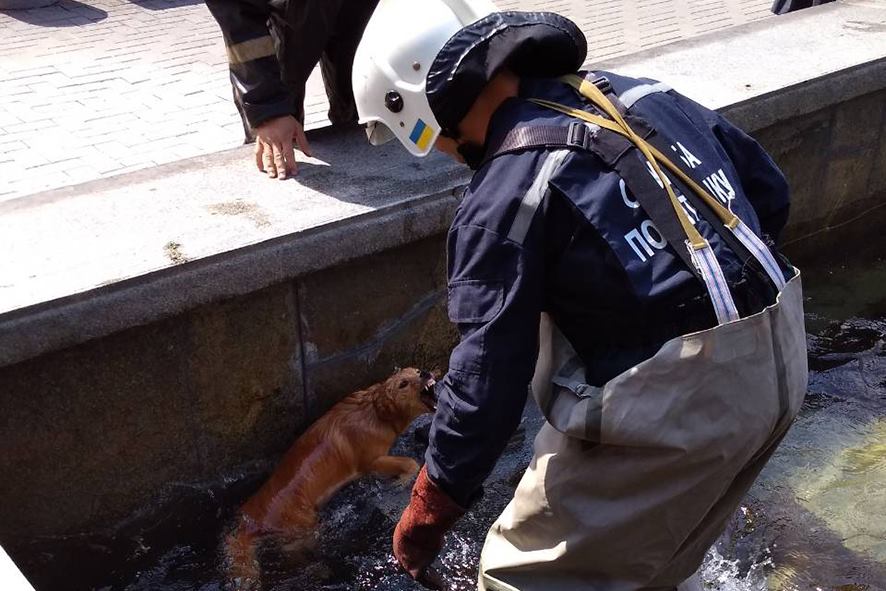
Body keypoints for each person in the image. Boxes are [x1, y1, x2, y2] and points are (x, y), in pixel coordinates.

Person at [352, 1, 809, 590]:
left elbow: (489, 375)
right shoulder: (642, 96)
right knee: (651, 569)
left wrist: (431, 504)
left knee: (517, 578)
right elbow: (769, 195)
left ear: (416, 102)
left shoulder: (505, 195)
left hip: (687, 413)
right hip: (782, 359)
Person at [205, 0, 379, 180]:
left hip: (368, 17)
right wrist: (267, 108)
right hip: (287, 12)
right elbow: (238, 14)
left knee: (372, 130)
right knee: (279, 143)